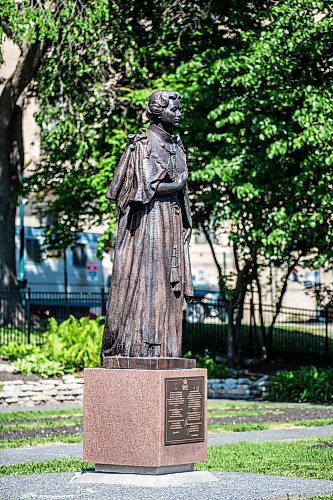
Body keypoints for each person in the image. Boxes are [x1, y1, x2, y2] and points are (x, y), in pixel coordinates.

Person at [101, 90, 193, 360]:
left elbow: (181, 192)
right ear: (157, 112)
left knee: (168, 285)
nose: (179, 114)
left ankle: (167, 348)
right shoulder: (141, 146)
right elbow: (134, 190)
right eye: (173, 109)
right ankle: (142, 346)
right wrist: (175, 184)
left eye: (179, 108)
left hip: (172, 223)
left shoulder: (176, 146)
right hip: (148, 224)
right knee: (150, 280)